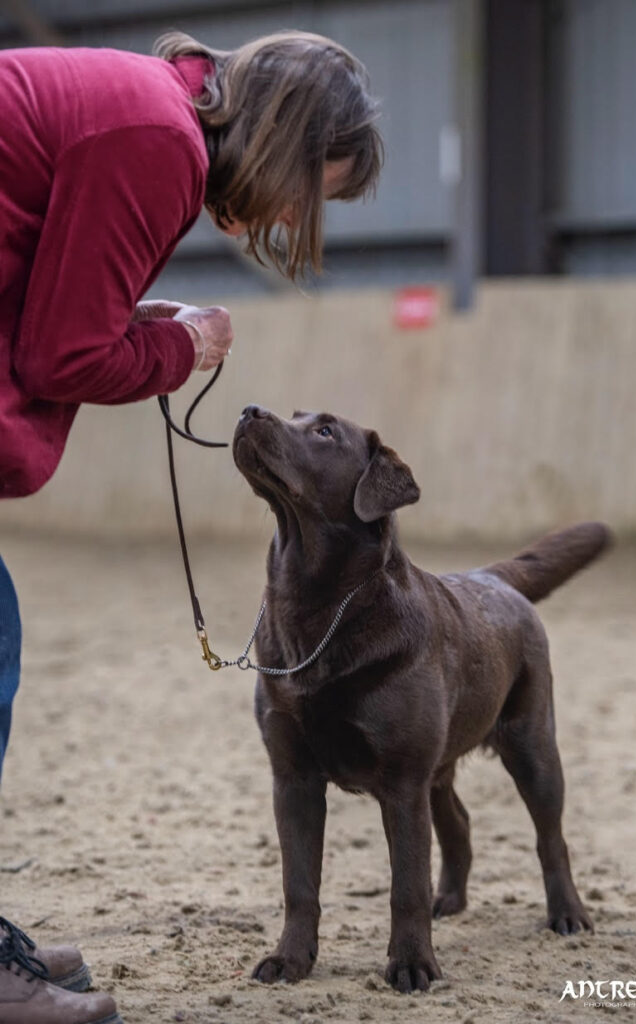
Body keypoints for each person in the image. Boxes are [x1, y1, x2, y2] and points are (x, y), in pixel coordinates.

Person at [0, 29, 381, 1023]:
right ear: (290, 142)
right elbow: (58, 358)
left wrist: (138, 323)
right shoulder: (156, 139)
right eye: (312, 189)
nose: (294, 216)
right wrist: (177, 346)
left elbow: (48, 296)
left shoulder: (145, 108)